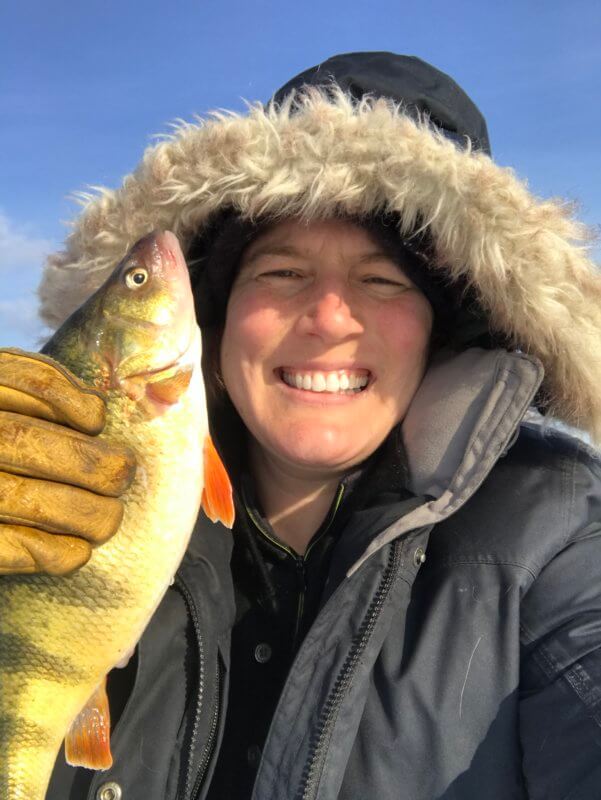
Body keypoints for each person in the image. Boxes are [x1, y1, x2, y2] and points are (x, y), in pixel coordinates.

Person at [1, 52, 600, 800]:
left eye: (381, 280)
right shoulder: (57, 493)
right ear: (215, 319)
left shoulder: (558, 532)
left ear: (443, 336)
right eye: (281, 272)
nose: (326, 318)